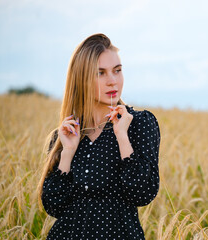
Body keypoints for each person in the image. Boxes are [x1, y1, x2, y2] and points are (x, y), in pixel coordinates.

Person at [37, 33, 161, 239]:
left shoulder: (139, 123)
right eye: (100, 73)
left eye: (117, 71)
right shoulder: (67, 134)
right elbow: (53, 206)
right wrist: (68, 152)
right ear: (81, 79)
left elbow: (142, 193)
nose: (112, 81)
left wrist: (122, 136)